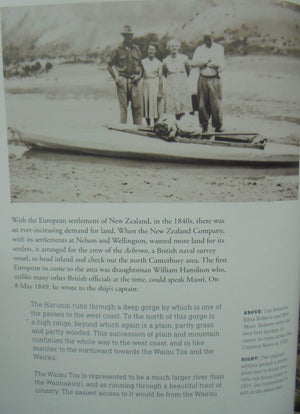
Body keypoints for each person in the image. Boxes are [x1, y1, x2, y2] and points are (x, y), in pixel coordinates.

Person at [107, 25, 143, 125]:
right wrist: (116, 78)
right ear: (123, 36)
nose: (129, 37)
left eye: (130, 35)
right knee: (123, 107)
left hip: (134, 80)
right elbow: (109, 65)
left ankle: (138, 130)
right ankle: (123, 130)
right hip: (122, 79)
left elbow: (140, 66)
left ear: (132, 36)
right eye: (126, 35)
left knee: (137, 106)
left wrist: (139, 76)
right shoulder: (117, 49)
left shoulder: (136, 49)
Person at [192, 34, 225, 132]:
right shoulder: (199, 49)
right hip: (202, 78)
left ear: (213, 38)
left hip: (215, 78)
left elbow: (220, 63)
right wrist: (207, 61)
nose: (207, 40)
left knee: (216, 104)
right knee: (202, 103)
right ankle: (204, 125)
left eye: (209, 38)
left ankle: (217, 125)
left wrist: (205, 64)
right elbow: (194, 63)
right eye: (205, 38)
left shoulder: (219, 48)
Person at [162, 38, 191, 120]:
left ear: (179, 47)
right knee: (173, 104)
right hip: (171, 84)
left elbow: (188, 69)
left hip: (182, 83)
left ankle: (182, 123)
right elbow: (164, 72)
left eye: (176, 46)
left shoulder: (184, 58)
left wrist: (181, 77)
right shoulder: (166, 60)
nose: (174, 48)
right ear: (168, 48)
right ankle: (174, 123)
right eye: (171, 46)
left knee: (182, 104)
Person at [141, 44, 163, 126]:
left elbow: (160, 78)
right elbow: (139, 73)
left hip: (154, 84)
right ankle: (148, 125)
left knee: (154, 104)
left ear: (155, 51)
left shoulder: (159, 63)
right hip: (145, 84)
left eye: (153, 49)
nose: (151, 51)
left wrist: (160, 91)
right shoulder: (143, 62)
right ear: (147, 51)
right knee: (146, 103)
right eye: (149, 49)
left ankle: (156, 125)